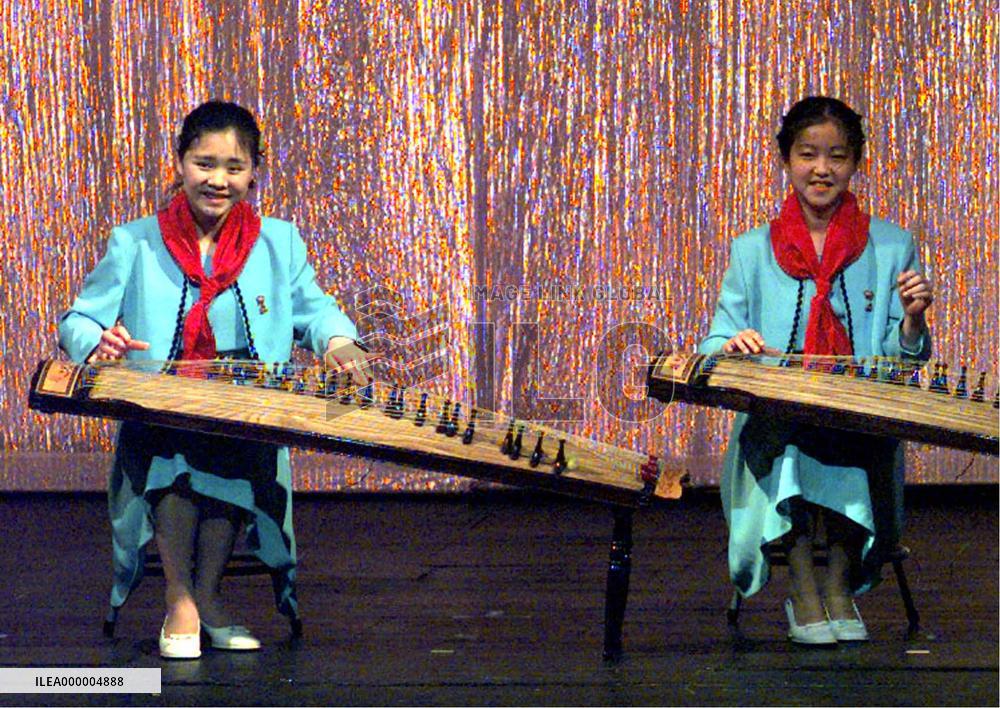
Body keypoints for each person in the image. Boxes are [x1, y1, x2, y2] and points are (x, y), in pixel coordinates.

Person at [58, 101, 374, 659]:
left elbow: (315, 310)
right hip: (162, 399)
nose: (218, 180)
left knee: (238, 453)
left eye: (234, 167)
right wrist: (98, 341)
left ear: (254, 172)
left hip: (243, 403)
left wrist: (337, 341)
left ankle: (208, 594)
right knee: (172, 457)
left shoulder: (279, 241)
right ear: (180, 163)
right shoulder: (135, 241)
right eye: (205, 163)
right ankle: (179, 597)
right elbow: (77, 320)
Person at [699, 96, 933, 644]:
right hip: (780, 415)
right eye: (808, 154)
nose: (822, 169)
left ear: (855, 164)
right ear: (788, 161)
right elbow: (714, 339)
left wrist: (914, 323)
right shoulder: (753, 249)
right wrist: (734, 341)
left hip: (856, 414)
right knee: (787, 446)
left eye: (837, 156)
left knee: (860, 439)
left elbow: (907, 361)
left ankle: (838, 588)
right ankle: (803, 590)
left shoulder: (893, 244)